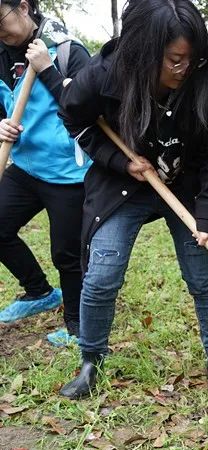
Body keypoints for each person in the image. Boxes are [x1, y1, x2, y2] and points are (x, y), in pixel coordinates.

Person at [57, 0, 208, 398]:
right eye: (174, 59)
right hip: (123, 187)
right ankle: (90, 361)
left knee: (201, 275)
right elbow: (76, 121)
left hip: (184, 186)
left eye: (189, 58)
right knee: (102, 276)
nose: (183, 68)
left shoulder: (206, 79)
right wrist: (119, 160)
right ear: (144, 52)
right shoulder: (102, 77)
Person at [0, 0, 91, 345]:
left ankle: (78, 328)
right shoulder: (0, 54)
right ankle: (38, 292)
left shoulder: (68, 50)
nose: (0, 33)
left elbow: (86, 107)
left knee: (66, 254)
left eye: (1, 20)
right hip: (24, 166)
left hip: (68, 172)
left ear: (23, 7)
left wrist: (48, 68)